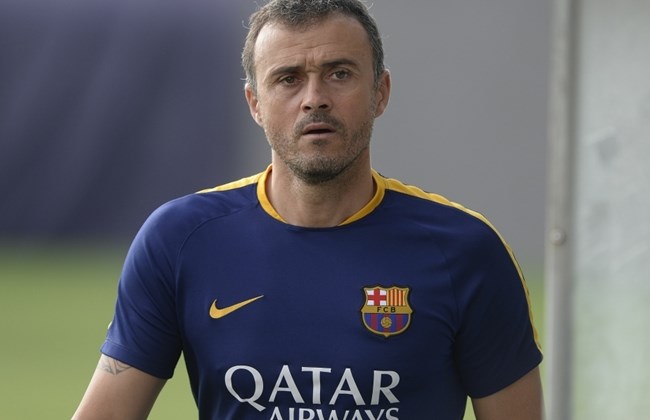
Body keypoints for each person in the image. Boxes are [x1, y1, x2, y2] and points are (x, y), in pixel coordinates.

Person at [72, 0, 544, 418]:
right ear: (255, 103)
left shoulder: (465, 251)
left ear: (380, 92)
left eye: (339, 73)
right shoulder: (181, 240)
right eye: (288, 79)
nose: (314, 98)